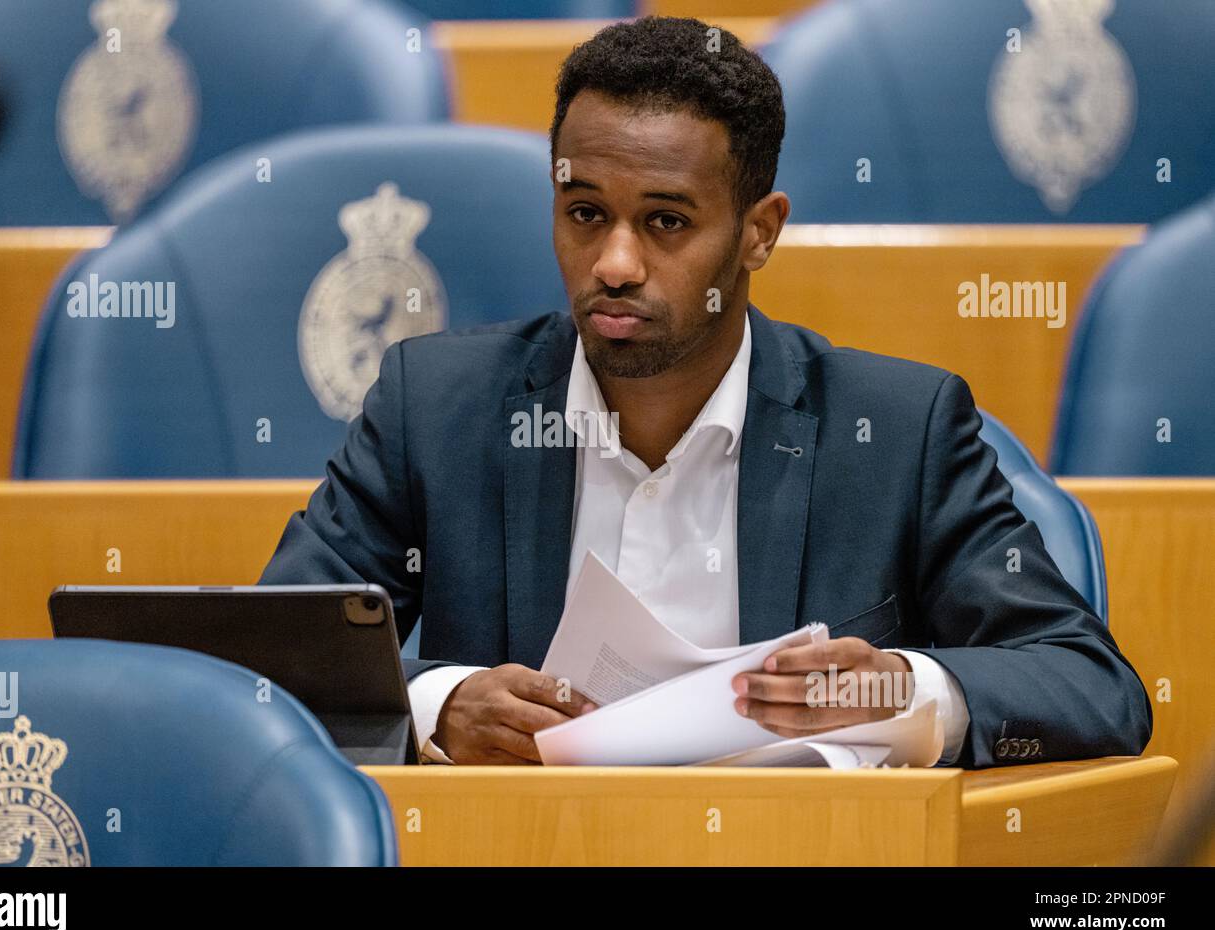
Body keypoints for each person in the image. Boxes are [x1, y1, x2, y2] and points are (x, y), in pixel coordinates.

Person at [261, 16, 1151, 767]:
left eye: (666, 222)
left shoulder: (897, 434)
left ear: (759, 234)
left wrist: (902, 688)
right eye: (585, 214)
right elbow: (272, 663)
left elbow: (1091, 685)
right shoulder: (436, 408)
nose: (614, 262)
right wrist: (439, 706)